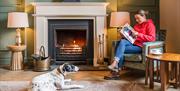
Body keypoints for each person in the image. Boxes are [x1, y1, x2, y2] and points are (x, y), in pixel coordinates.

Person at [105, 9, 156, 79]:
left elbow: (152, 38)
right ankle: (115, 66)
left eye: (138, 18)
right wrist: (124, 35)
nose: (137, 20)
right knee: (122, 42)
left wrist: (138, 34)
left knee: (119, 49)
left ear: (143, 16)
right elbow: (131, 38)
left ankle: (116, 71)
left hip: (141, 46)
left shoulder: (150, 25)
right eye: (136, 19)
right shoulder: (136, 26)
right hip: (133, 44)